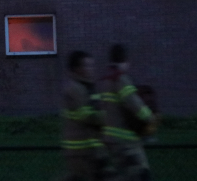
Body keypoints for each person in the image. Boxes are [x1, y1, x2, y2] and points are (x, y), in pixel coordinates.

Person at [101, 44, 157, 181]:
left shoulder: (106, 81)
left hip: (111, 140)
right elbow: (134, 104)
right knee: (141, 174)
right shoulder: (121, 79)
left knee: (126, 174)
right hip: (126, 142)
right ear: (125, 61)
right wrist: (151, 118)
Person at [61, 50, 107, 181]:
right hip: (80, 151)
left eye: (92, 65)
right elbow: (86, 115)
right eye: (87, 65)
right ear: (77, 69)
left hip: (92, 150)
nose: (91, 69)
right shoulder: (75, 89)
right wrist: (109, 117)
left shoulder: (88, 87)